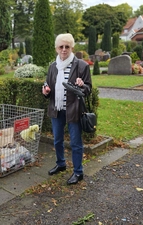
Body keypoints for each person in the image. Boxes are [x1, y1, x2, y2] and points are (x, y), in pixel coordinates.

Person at [42, 33, 92, 185]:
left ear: (72, 48)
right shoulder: (53, 66)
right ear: (56, 48)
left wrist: (82, 85)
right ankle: (61, 164)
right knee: (57, 140)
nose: (64, 50)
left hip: (73, 109)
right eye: (61, 47)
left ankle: (78, 172)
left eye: (67, 47)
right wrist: (45, 90)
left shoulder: (81, 66)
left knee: (75, 143)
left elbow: (88, 89)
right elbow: (47, 84)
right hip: (56, 109)